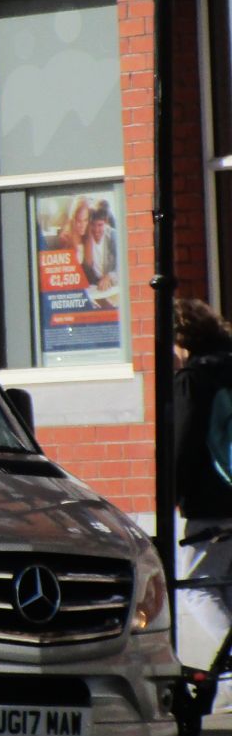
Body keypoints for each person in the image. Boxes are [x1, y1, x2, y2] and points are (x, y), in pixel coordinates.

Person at [172, 298, 232, 706]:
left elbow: (185, 440)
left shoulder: (195, 377)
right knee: (225, 588)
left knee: (197, 589)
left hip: (211, 499)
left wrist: (174, 492)